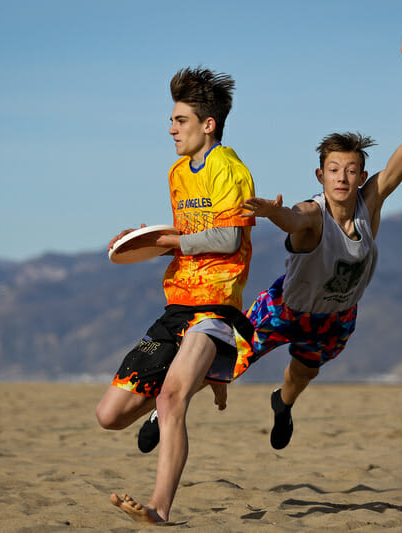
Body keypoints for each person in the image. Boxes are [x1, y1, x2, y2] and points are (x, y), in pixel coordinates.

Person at [241, 18, 402, 450]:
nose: (342, 179)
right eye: (334, 170)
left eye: (351, 171)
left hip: (336, 317)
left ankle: (282, 404)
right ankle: (167, 408)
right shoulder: (313, 213)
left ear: (362, 175)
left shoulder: (371, 204)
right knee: (220, 363)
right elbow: (296, 222)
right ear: (321, 174)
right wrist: (276, 214)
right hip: (285, 307)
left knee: (304, 371)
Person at [95, 66, 258, 524]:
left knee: (170, 400)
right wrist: (146, 240)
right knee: (109, 415)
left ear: (208, 125)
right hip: (177, 304)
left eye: (180, 120)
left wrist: (172, 242)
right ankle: (205, 378)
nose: (171, 129)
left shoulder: (231, 171)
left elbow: (225, 240)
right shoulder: (177, 173)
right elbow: (186, 233)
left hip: (217, 307)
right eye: (171, 120)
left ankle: (159, 510)